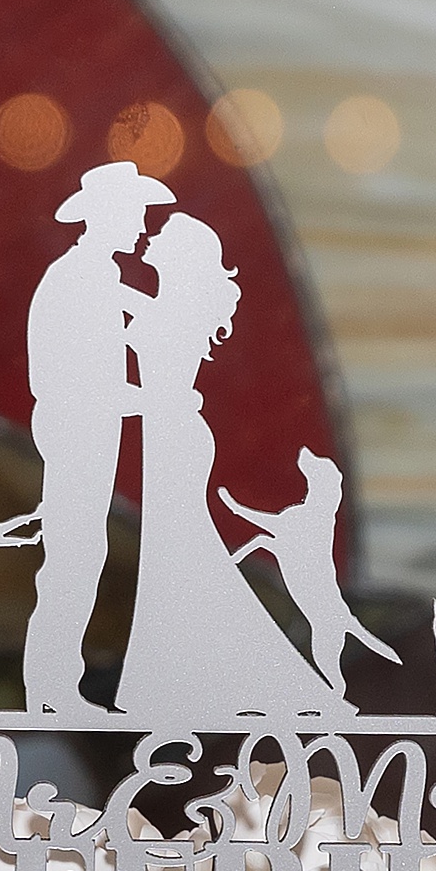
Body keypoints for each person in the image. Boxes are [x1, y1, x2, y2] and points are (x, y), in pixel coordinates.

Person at [114, 212, 332, 722]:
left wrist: (109, 399)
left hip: (177, 439)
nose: (151, 241)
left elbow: (155, 382)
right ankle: (182, 682)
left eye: (162, 239)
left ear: (182, 257)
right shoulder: (164, 308)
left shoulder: (174, 314)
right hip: (170, 438)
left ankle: (240, 682)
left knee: (183, 557)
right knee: (177, 561)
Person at [24, 161, 174, 716]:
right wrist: (151, 399)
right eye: (135, 214)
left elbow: (134, 326)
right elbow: (70, 381)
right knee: (71, 560)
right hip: (75, 440)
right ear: (108, 217)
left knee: (81, 558)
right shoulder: (76, 282)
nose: (141, 226)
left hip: (91, 438)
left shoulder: (101, 281)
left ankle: (57, 685)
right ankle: (51, 688)